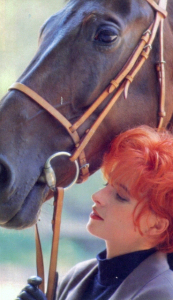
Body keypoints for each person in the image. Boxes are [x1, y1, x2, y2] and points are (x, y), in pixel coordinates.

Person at [16, 125, 173, 300]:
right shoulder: (76, 277)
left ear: (157, 225)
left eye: (120, 196)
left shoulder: (162, 293)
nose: (97, 196)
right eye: (107, 185)